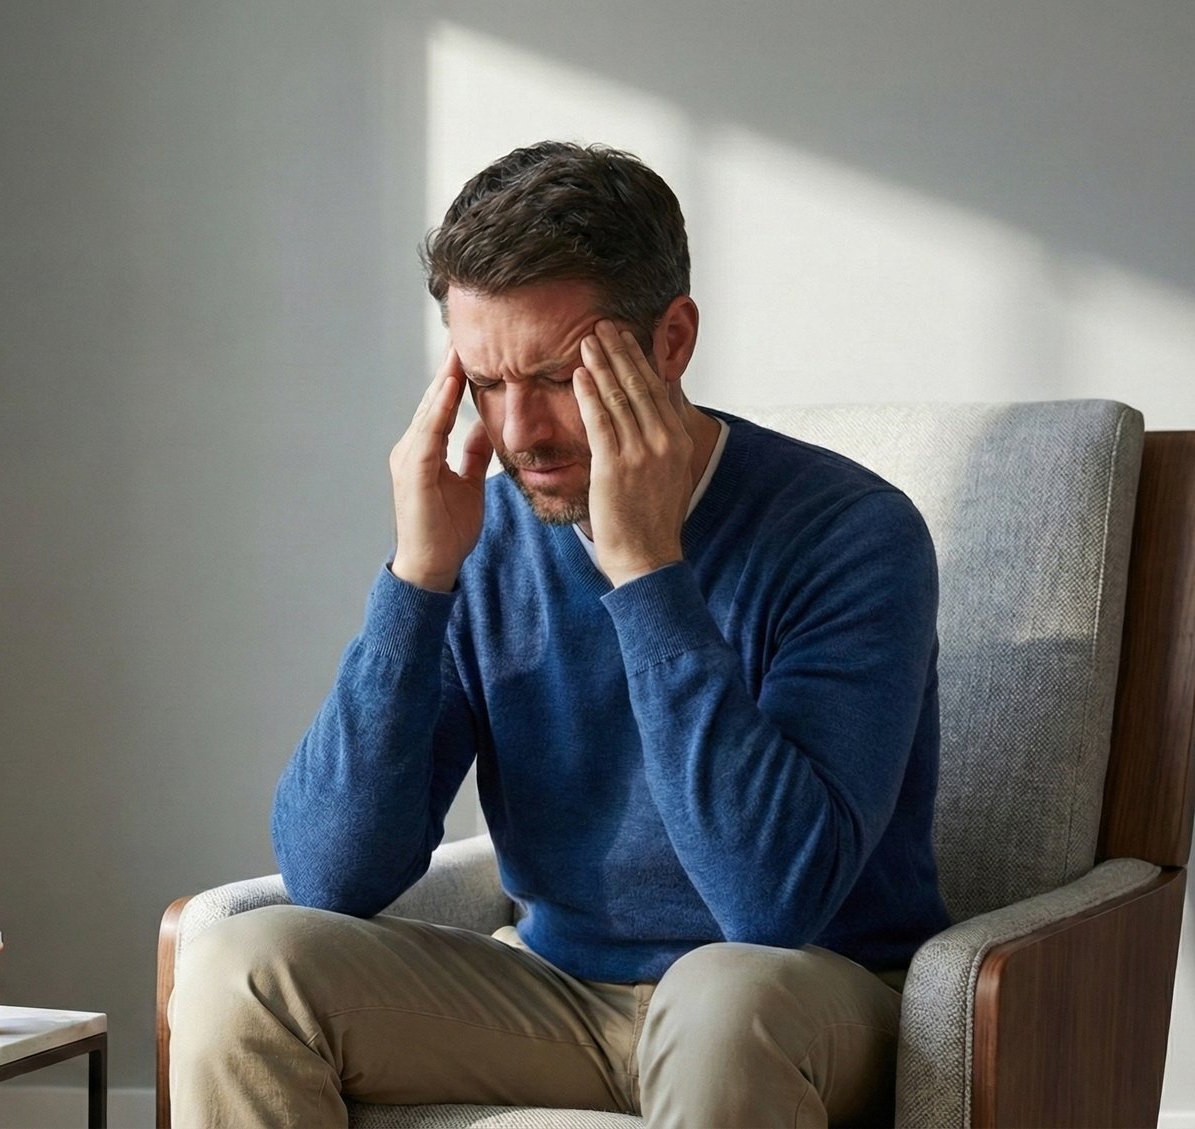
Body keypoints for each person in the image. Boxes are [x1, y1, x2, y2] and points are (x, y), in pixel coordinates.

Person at [167, 141, 952, 1129]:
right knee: (240, 964)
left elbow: (772, 901)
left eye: (553, 376)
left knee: (722, 999)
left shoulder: (850, 533)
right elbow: (333, 874)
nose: (520, 432)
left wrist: (648, 570)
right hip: (559, 999)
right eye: (488, 384)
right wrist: (419, 580)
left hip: (800, 1001)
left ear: (671, 341)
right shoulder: (488, 539)